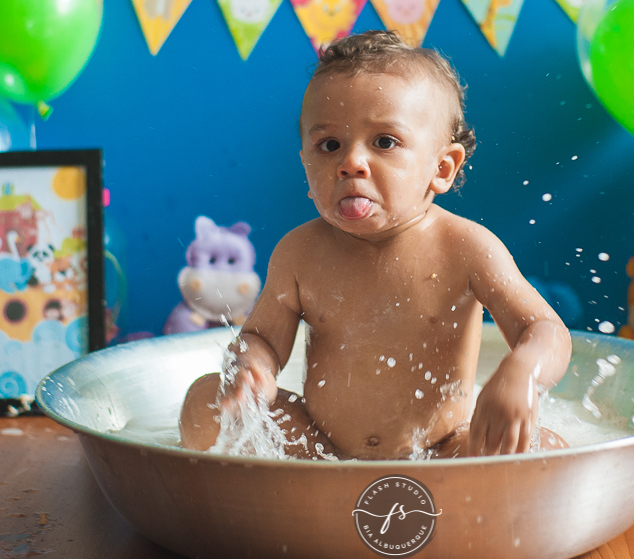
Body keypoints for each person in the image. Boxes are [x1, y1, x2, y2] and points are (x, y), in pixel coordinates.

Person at [179, 30, 571, 459]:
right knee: (204, 401)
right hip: (320, 449)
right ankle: (307, 489)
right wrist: (250, 367)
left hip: (442, 452)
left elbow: (545, 330)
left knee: (546, 450)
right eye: (329, 145)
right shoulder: (299, 253)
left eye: (385, 142)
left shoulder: (466, 247)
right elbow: (263, 339)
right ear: (305, 164)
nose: (350, 163)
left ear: (442, 168)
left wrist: (523, 372)